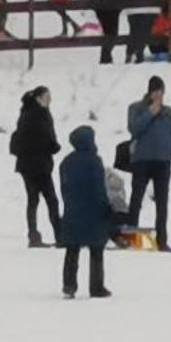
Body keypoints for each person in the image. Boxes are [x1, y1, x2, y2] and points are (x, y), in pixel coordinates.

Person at [125, 75, 171, 253]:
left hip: (162, 163)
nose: (159, 95)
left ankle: (162, 240)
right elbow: (134, 129)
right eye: (155, 92)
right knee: (136, 199)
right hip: (142, 161)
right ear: (150, 92)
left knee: (162, 203)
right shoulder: (136, 109)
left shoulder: (169, 113)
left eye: (161, 92)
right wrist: (150, 112)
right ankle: (131, 236)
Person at [57, 125, 112, 301]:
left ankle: (69, 284)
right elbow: (99, 188)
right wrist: (105, 207)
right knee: (96, 250)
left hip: (72, 210)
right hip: (93, 211)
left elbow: (63, 188)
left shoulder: (66, 162)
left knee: (72, 250)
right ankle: (96, 287)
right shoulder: (94, 161)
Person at [10, 86, 62, 249]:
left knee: (34, 200)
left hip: (28, 165)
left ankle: (34, 236)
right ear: (38, 98)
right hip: (38, 165)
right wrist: (54, 147)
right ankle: (59, 235)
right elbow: (44, 138)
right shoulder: (37, 115)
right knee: (50, 200)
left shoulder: (27, 113)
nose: (50, 99)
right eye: (47, 96)